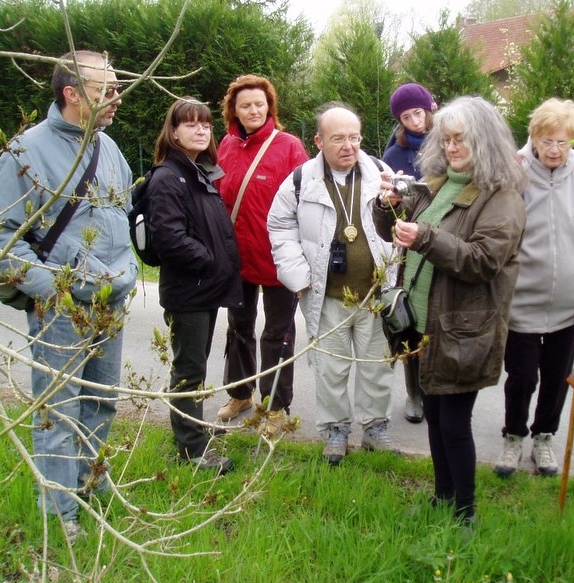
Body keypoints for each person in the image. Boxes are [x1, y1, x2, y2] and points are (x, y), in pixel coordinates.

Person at [0, 50, 135, 542]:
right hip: (60, 308)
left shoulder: (109, 148)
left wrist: (127, 273)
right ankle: (60, 514)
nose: (116, 97)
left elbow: (121, 215)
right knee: (58, 410)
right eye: (106, 88)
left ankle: (91, 484)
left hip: (110, 303)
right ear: (72, 93)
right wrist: (54, 290)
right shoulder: (25, 151)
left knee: (102, 399)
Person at [374, 96, 527, 524]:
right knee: (438, 417)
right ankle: (443, 498)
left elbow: (482, 261)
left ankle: (465, 514)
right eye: (447, 139)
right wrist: (386, 207)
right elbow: (395, 234)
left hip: (463, 327)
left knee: (455, 425)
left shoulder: (502, 197)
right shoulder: (439, 184)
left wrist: (424, 236)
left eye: (462, 139)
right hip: (426, 324)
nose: (452, 147)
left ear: (486, 142)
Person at [495, 98, 574, 478]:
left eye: (562, 143)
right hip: (520, 301)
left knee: (557, 377)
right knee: (521, 377)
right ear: (533, 137)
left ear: (573, 141)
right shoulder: (512, 175)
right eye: (546, 141)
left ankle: (544, 437)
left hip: (572, 305)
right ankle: (513, 436)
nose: (554, 150)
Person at [267, 102, 398, 467]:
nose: (348, 146)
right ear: (319, 140)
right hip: (327, 295)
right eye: (338, 138)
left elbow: (406, 222)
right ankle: (335, 430)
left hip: (375, 294)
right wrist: (299, 279)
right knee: (331, 368)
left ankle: (375, 427)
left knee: (377, 365)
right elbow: (279, 227)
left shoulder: (381, 174)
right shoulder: (299, 180)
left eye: (354, 138)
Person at [146, 97, 243, 474]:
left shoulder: (199, 171)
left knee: (195, 366)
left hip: (203, 288)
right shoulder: (169, 176)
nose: (201, 129)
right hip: (189, 291)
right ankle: (191, 451)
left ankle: (194, 431)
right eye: (190, 124)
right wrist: (210, 260)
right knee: (188, 369)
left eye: (205, 124)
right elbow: (169, 238)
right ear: (173, 132)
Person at [214, 75, 308, 427]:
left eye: (259, 104)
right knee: (238, 327)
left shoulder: (289, 147)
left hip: (279, 259)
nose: (253, 110)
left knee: (278, 333)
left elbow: (305, 202)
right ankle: (240, 394)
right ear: (234, 111)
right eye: (245, 105)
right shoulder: (225, 146)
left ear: (269, 106)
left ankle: (275, 405)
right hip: (236, 258)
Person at [381, 82, 438, 425]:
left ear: (429, 110)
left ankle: (434, 391)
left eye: (419, 112)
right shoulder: (395, 155)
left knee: (438, 320)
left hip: (444, 241)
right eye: (407, 116)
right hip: (407, 247)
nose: (416, 120)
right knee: (409, 321)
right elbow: (389, 210)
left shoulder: (449, 143)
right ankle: (414, 393)